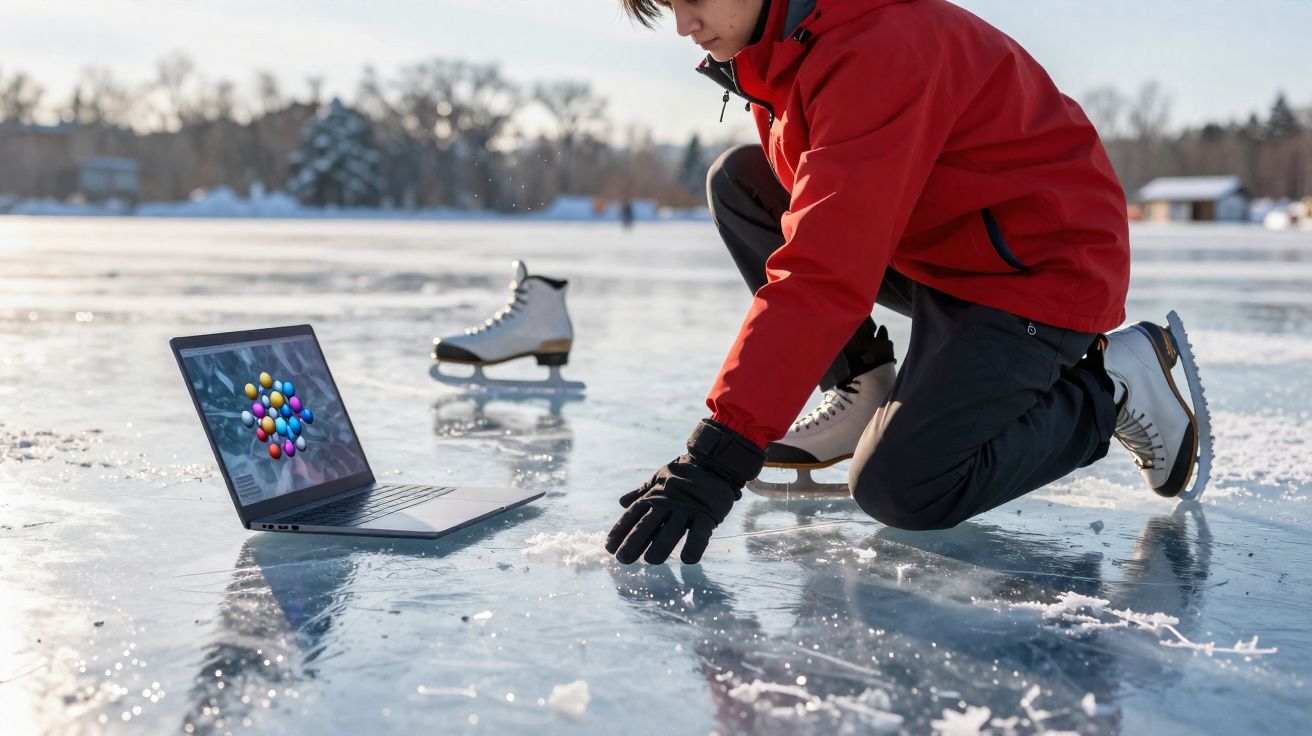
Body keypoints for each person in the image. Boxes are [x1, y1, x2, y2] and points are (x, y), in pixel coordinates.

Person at [605, 0, 1210, 565]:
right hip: (949, 248)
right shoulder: (791, 47)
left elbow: (823, 271)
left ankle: (1113, 386)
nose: (684, 25)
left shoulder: (877, 50)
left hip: (1037, 270)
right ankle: (861, 383)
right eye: (668, 7)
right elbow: (826, 231)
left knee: (904, 487)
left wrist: (718, 456)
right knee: (742, 180)